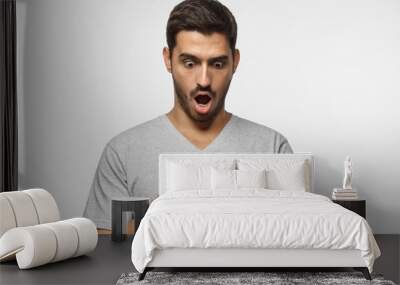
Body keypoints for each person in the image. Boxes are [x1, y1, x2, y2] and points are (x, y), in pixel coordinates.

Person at [83, 0, 293, 234]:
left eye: (217, 63)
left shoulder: (272, 148)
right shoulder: (123, 153)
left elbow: (294, 241)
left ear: (235, 61)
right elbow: (109, 257)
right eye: (190, 63)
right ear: (168, 59)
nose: (204, 80)